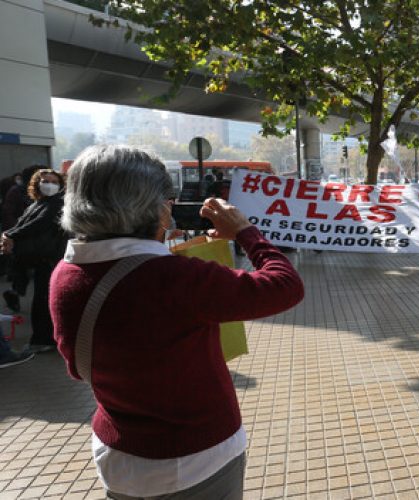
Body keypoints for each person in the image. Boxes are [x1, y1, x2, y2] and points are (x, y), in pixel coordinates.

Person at [50, 146, 304, 499]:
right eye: (167, 199)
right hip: (194, 459)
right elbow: (285, 287)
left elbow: (79, 367)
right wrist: (246, 231)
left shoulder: (66, 274)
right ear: (152, 207)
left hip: (118, 456)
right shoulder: (173, 278)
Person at [0, 169, 67, 353]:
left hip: (49, 260)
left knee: (42, 301)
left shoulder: (57, 203)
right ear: (37, 184)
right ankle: (44, 339)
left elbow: (40, 223)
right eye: (46, 181)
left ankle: (43, 340)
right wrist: (8, 236)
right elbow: (22, 223)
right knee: (41, 300)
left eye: (54, 181)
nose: (50, 185)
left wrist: (9, 235)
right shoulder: (38, 203)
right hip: (38, 260)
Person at [2, 166, 40, 310]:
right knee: (22, 270)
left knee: (32, 271)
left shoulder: (38, 192)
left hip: (37, 239)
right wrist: (15, 234)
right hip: (21, 238)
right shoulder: (16, 192)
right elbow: (8, 214)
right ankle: (13, 294)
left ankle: (15, 293)